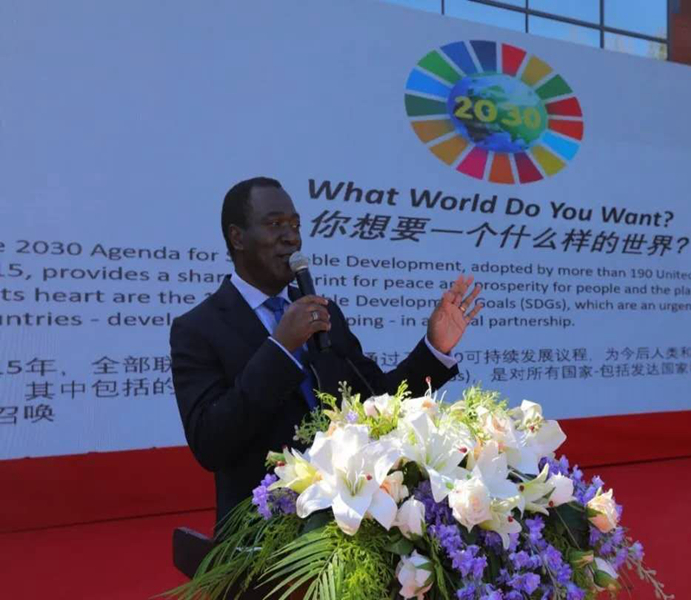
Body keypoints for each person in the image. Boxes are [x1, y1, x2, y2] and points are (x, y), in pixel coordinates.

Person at [170, 176, 482, 528]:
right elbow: (211, 443)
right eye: (275, 224)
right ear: (237, 237)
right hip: (262, 531)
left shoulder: (323, 312)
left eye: (295, 225)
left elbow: (378, 399)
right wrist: (280, 348)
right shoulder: (199, 328)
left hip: (344, 524)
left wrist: (434, 348)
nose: (291, 237)